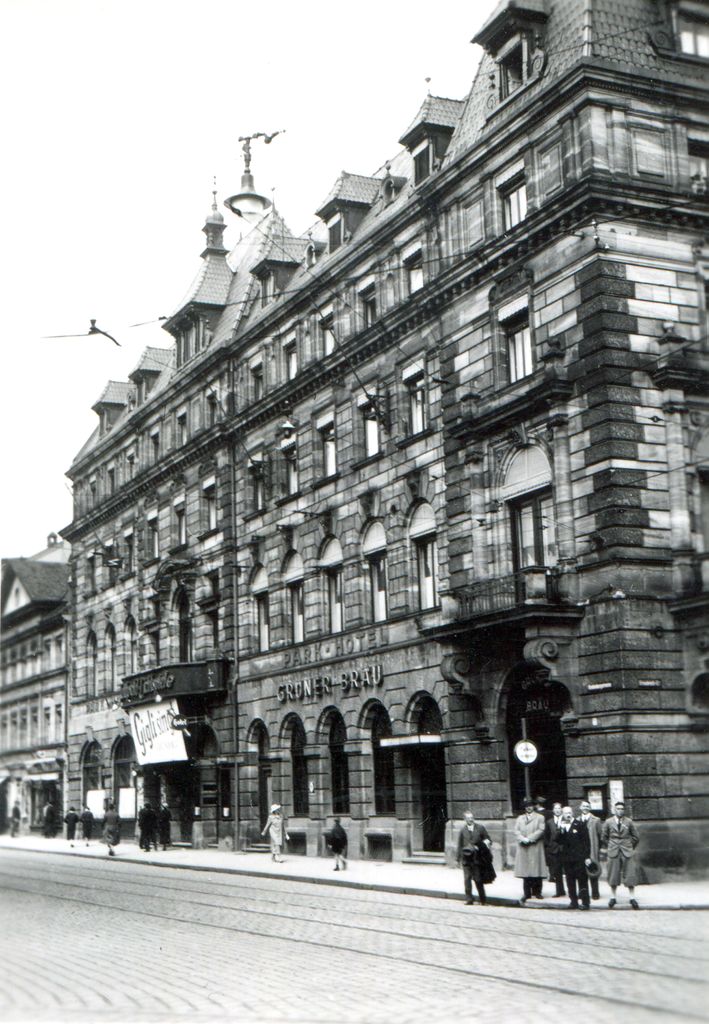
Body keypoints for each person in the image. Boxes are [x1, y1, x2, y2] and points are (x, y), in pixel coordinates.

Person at [601, 801, 640, 909]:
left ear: (624, 810)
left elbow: (636, 837)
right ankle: (613, 897)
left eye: (622, 809)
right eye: (618, 808)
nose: (620, 811)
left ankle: (632, 898)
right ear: (614, 810)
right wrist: (610, 845)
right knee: (613, 874)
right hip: (613, 850)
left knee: (630, 874)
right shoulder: (608, 822)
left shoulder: (629, 822)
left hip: (627, 850)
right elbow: (603, 837)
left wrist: (629, 846)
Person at [456, 810, 495, 906]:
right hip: (466, 859)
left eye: (472, 818)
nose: (470, 820)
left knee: (478, 879)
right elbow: (459, 845)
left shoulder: (480, 828)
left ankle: (483, 899)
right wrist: (458, 859)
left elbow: (488, 840)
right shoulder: (462, 830)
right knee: (467, 879)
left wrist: (480, 846)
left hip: (477, 858)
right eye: (468, 818)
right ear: (465, 819)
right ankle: (469, 899)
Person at [556, 806, 591, 910]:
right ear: (563, 814)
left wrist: (587, 857)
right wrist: (561, 830)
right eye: (566, 813)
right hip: (567, 859)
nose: (568, 814)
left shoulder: (580, 824)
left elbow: (586, 842)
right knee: (570, 880)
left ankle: (585, 902)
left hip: (579, 858)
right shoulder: (562, 826)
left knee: (582, 880)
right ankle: (573, 901)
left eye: (569, 812)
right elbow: (558, 841)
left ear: (572, 813)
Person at [514, 796, 546, 905]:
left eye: (531, 805)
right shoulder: (520, 818)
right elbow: (516, 831)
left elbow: (541, 830)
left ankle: (537, 892)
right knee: (525, 871)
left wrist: (530, 838)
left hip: (535, 846)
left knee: (537, 870)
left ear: (534, 806)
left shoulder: (540, 817)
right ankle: (526, 893)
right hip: (524, 847)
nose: (529, 808)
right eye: (527, 806)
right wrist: (522, 838)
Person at [578, 800, 603, 900]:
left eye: (587, 806)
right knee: (581, 873)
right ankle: (583, 893)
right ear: (580, 807)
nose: (585, 808)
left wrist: (597, 848)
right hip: (580, 851)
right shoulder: (577, 820)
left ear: (590, 808)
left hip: (592, 850)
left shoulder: (596, 820)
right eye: (583, 806)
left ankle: (595, 893)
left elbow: (600, 836)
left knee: (593, 871)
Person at [544, 802, 566, 898]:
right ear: (553, 810)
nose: (557, 810)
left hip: (565, 849)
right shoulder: (549, 822)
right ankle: (559, 891)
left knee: (568, 871)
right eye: (555, 808)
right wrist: (549, 846)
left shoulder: (566, 820)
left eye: (559, 808)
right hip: (553, 850)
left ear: (562, 810)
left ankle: (571, 890)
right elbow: (546, 836)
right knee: (556, 871)